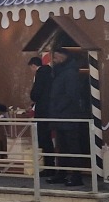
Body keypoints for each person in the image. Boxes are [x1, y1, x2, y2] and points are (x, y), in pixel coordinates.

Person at [46, 47, 89, 187]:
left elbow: (71, 95)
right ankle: (62, 173)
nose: (54, 59)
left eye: (57, 56)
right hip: (61, 116)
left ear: (64, 56)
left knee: (72, 147)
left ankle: (77, 176)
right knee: (63, 146)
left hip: (68, 116)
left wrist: (58, 107)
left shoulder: (70, 73)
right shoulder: (62, 72)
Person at [28, 56, 56, 177]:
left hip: (43, 111)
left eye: (31, 68)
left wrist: (33, 97)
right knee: (50, 138)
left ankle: (49, 167)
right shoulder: (51, 73)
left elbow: (35, 94)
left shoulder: (40, 74)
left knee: (44, 139)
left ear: (34, 66)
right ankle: (52, 166)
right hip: (52, 110)